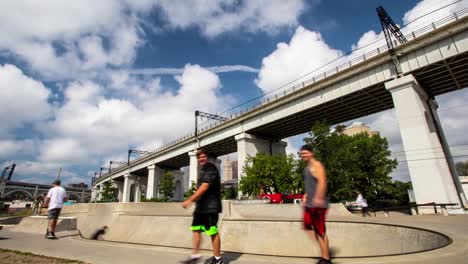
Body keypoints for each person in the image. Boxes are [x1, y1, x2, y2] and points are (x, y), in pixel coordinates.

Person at [181, 149, 223, 264]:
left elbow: (205, 186)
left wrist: (190, 200)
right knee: (196, 229)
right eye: (199, 157)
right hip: (200, 207)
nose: (201, 159)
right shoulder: (203, 170)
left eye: (203, 156)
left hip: (210, 207)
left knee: (212, 232)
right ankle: (195, 256)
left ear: (207, 157)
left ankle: (218, 260)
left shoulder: (210, 168)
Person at [300, 145, 332, 264]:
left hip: (318, 204)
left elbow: (323, 181)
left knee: (320, 232)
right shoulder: (307, 168)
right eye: (301, 154)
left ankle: (326, 259)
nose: (302, 155)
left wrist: (318, 198)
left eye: (305, 153)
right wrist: (305, 196)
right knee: (307, 227)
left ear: (311, 153)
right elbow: (310, 185)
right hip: (309, 204)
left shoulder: (317, 165)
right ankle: (325, 253)